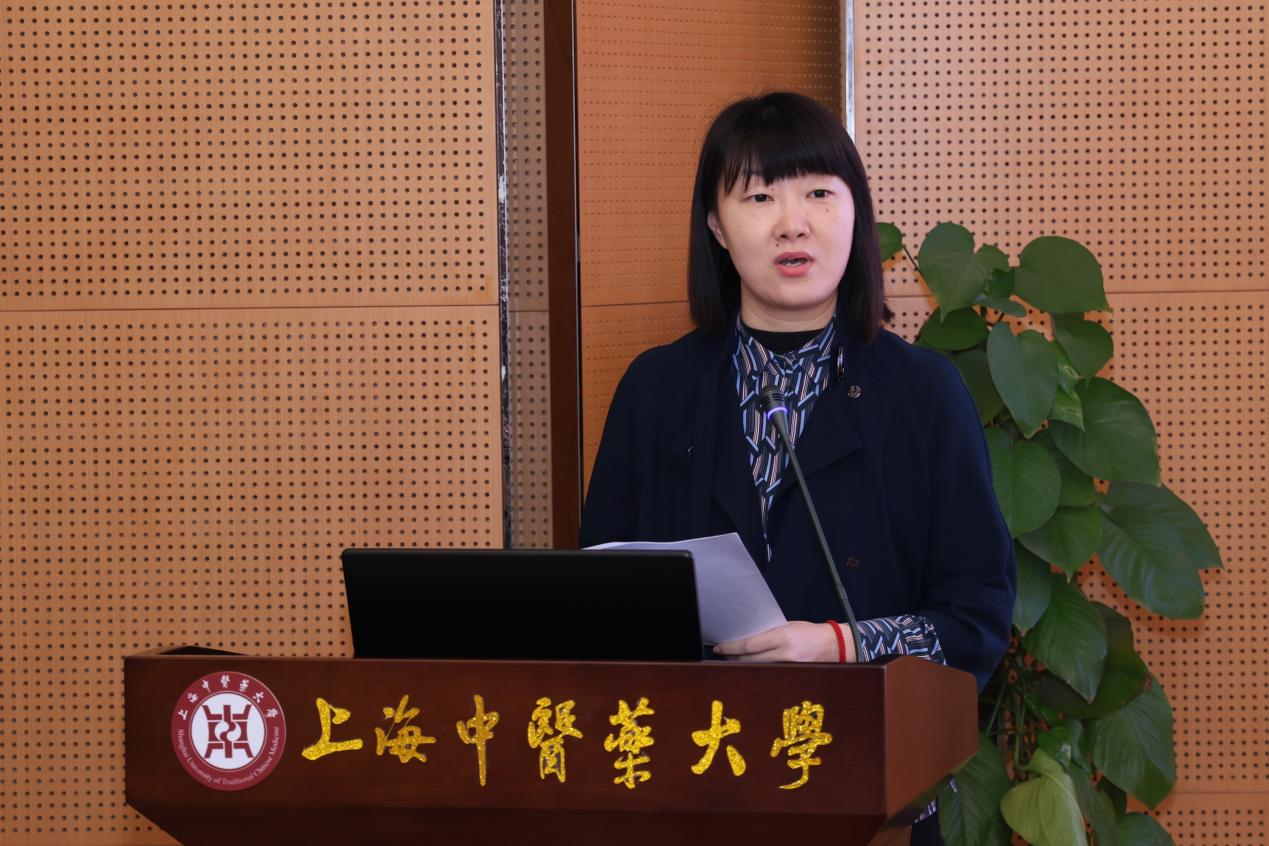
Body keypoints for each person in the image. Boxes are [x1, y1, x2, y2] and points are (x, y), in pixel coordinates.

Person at [580, 91, 1014, 844]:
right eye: (759, 197)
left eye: (818, 193)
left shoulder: (923, 394)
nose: (792, 222)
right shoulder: (656, 391)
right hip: (690, 791)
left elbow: (976, 618)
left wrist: (840, 645)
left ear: (855, 214)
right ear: (716, 226)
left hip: (869, 791)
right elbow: (598, 604)